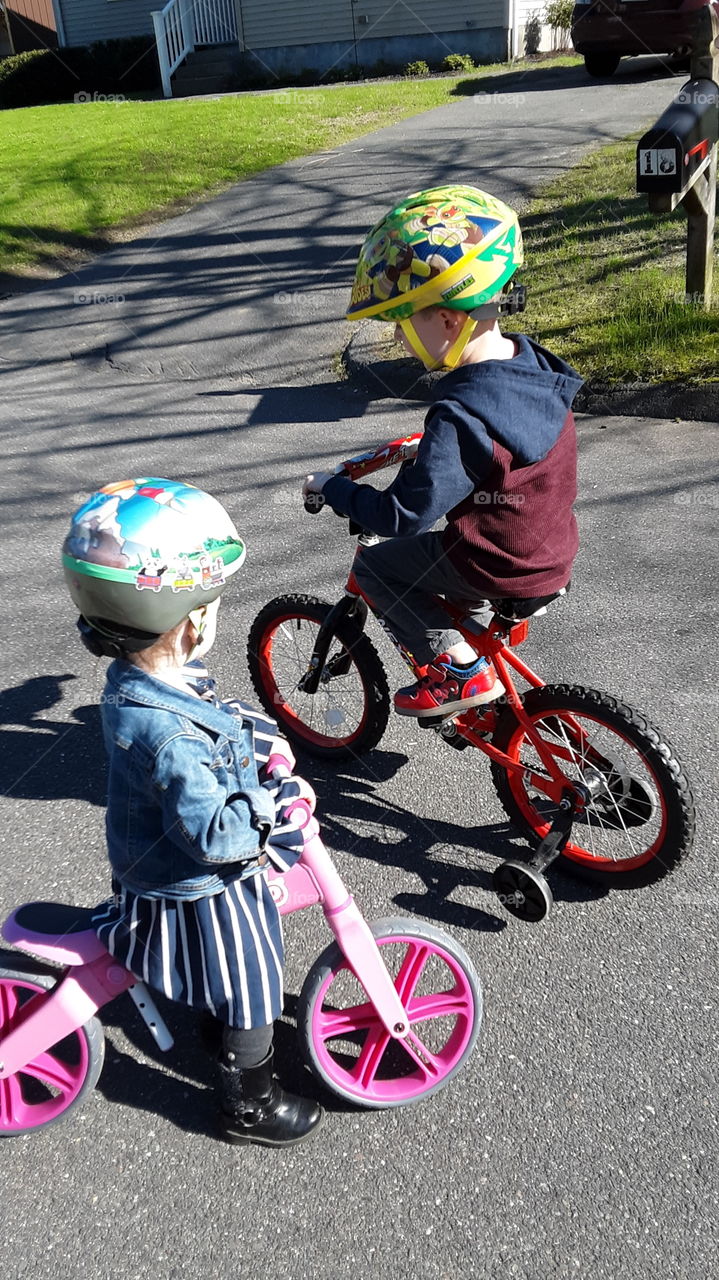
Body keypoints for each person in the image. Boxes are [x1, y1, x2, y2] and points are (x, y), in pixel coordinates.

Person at [62, 477, 323, 1148]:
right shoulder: (169, 735)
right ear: (193, 620)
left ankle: (217, 1020)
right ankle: (250, 1106)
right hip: (198, 883)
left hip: (157, 862)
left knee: (236, 972)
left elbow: (212, 713)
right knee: (255, 976)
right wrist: (278, 804)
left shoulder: (141, 675)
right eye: (209, 604)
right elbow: (218, 834)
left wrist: (256, 737)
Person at [303, 185, 583, 719]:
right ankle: (476, 669)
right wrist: (435, 455)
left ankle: (456, 673)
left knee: (380, 569)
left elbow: (402, 515)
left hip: (494, 562)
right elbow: (500, 455)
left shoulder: (460, 413)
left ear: (449, 321)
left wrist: (336, 489)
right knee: (443, 573)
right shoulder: (533, 367)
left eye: (405, 325)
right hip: (549, 551)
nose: (402, 342)